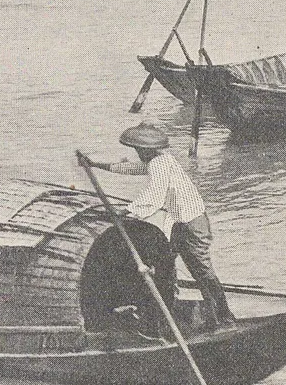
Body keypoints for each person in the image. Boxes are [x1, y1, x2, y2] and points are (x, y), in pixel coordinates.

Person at [88, 124, 236, 327]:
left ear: (147, 150)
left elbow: (154, 197)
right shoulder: (155, 161)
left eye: (139, 150)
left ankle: (223, 316)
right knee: (165, 263)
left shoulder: (160, 164)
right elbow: (133, 168)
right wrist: (97, 165)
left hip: (192, 224)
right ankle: (165, 312)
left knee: (201, 270)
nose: (138, 153)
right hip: (178, 223)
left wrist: (125, 211)